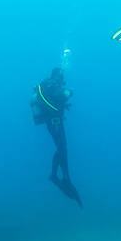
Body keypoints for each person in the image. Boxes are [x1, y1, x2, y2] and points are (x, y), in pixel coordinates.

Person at [31, 68, 83, 208]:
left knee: (62, 148)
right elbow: (60, 95)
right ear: (58, 76)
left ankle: (62, 176)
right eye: (62, 76)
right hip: (54, 123)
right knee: (62, 148)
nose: (62, 79)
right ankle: (59, 176)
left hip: (54, 122)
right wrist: (68, 92)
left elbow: (55, 100)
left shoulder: (47, 84)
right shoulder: (52, 84)